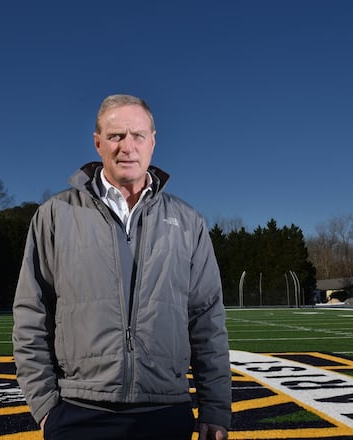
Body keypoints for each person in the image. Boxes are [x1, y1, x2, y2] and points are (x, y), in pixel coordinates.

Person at [12, 94, 231, 440]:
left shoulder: (188, 222)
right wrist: (45, 408)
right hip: (79, 410)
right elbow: (31, 315)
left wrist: (215, 408)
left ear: (153, 143)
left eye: (138, 135)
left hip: (165, 409)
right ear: (98, 143)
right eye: (116, 136)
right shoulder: (55, 215)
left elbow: (206, 320)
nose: (127, 146)